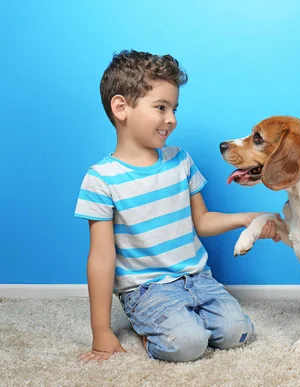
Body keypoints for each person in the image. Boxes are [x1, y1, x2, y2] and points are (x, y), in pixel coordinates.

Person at [74, 49, 280, 364]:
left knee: (238, 332)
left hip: (197, 278)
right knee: (187, 345)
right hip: (146, 289)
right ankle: (148, 328)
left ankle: (182, 320)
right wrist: (100, 330)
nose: (171, 119)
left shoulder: (180, 160)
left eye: (174, 108)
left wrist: (245, 218)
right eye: (161, 107)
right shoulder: (101, 179)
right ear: (121, 107)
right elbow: (102, 257)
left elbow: (202, 221)